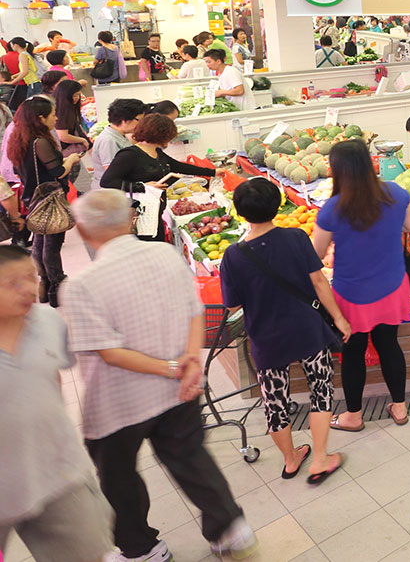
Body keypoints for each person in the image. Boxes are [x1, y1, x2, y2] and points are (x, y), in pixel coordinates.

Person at [63, 189, 257, 562]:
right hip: (179, 389)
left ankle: (141, 549)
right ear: (131, 220)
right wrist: (188, 361)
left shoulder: (81, 285)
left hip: (119, 402)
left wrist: (173, 366)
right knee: (189, 457)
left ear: (83, 232)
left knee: (118, 476)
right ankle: (229, 527)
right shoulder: (166, 255)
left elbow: (110, 352)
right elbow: (194, 310)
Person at [221, 178, 349, 482]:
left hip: (266, 338)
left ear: (240, 212)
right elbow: (319, 282)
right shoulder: (295, 238)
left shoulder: (233, 256)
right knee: (320, 389)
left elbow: (231, 306)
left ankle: (291, 460)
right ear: (277, 205)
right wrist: (340, 319)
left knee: (274, 402)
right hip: (306, 330)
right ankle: (319, 458)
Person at [0, 245, 116, 562]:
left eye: (31, 277)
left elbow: (52, 377)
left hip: (57, 474)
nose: (29, 288)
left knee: (89, 553)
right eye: (12, 282)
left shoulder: (48, 321)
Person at [314, 140, 410, 431]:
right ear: (369, 162)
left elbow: (316, 254)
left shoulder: (332, 209)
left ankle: (353, 415)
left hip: (353, 294)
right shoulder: (396, 193)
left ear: (337, 170)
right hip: (392, 284)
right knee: (389, 344)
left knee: (353, 351)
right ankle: (399, 408)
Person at [101, 114, 216, 241]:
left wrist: (214, 172)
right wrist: (142, 187)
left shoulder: (157, 153)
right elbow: (107, 181)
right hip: (138, 217)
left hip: (155, 214)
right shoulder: (129, 155)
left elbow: (179, 167)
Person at [11, 96, 82, 305]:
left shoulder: (19, 139)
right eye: (53, 115)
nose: (56, 118)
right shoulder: (40, 142)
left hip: (33, 196)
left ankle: (45, 285)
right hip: (49, 197)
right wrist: (69, 159)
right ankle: (57, 284)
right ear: (41, 118)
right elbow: (58, 172)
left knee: (40, 242)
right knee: (52, 244)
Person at [92, 97, 145, 187]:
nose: (141, 124)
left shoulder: (120, 135)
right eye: (139, 120)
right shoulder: (108, 140)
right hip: (109, 193)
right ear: (125, 120)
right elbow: (112, 173)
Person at [53, 79, 91, 160]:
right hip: (64, 152)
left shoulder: (68, 108)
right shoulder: (62, 112)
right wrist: (82, 140)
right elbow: (63, 136)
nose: (77, 98)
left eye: (78, 95)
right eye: (74, 96)